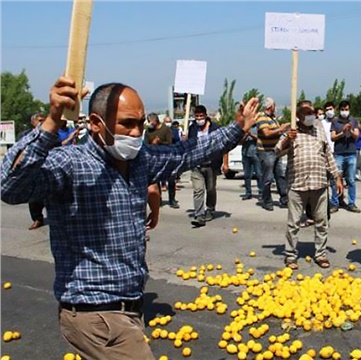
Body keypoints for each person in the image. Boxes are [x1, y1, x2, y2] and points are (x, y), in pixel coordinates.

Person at [0, 76, 258, 359]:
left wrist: (236, 129)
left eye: (140, 124)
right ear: (96, 123)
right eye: (126, 124)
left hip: (128, 310)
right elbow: (10, 186)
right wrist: (51, 121)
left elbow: (186, 153)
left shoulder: (139, 162)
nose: (136, 133)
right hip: (95, 313)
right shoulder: (70, 164)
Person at [276, 107, 343, 270]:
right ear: (298, 117)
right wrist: (287, 140)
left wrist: (337, 177)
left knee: (322, 221)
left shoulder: (319, 131)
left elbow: (328, 155)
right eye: (307, 115)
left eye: (312, 115)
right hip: (297, 185)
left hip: (319, 184)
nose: (311, 118)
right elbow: (277, 151)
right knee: (294, 223)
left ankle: (321, 254)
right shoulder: (291, 132)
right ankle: (290, 255)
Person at [188, 105, 227, 227]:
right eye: (197, 116)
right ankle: (199, 215)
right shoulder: (192, 129)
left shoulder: (215, 128)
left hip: (211, 164)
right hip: (197, 165)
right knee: (198, 189)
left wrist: (225, 163)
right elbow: (190, 145)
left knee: (210, 188)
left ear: (205, 115)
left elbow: (223, 146)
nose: (199, 118)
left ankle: (210, 209)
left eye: (201, 116)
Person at [257, 97, 290, 211]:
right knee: (268, 177)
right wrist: (281, 129)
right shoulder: (262, 117)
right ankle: (267, 200)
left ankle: (284, 198)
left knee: (280, 175)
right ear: (271, 106)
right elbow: (266, 133)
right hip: (266, 151)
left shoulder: (273, 118)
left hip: (275, 150)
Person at [330, 100, 361, 213]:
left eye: (346, 109)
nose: (344, 112)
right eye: (342, 109)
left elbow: (356, 136)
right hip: (339, 153)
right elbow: (333, 137)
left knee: (351, 180)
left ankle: (352, 203)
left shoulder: (353, 120)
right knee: (336, 179)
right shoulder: (335, 121)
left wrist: (350, 131)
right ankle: (335, 203)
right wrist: (342, 133)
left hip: (351, 153)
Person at [18, 114, 47, 230]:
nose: (41, 123)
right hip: (33, 168)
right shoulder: (25, 135)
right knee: (34, 198)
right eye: (39, 121)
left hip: (48, 166)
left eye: (43, 121)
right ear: (33, 122)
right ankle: (37, 218)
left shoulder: (50, 134)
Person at [241, 122, 263, 201]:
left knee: (259, 174)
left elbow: (260, 139)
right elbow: (240, 141)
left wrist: (251, 135)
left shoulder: (258, 127)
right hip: (245, 154)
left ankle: (261, 193)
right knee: (247, 175)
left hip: (256, 153)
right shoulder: (245, 127)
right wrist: (246, 135)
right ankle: (248, 192)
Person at [165, 117, 181, 208]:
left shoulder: (174, 130)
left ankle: (172, 199)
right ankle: (157, 199)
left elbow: (177, 140)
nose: (167, 123)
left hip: (172, 157)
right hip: (161, 156)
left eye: (169, 122)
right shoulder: (160, 130)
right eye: (166, 122)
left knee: (171, 180)